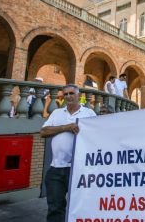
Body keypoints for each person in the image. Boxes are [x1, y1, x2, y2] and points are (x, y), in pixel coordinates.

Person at [40, 84, 96, 222]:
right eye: (65, 94)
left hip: (79, 170)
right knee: (55, 208)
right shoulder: (57, 113)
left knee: (81, 207)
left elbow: (96, 137)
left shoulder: (89, 113)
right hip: (56, 169)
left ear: (79, 96)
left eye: (71, 93)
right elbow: (43, 132)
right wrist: (66, 127)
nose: (68, 96)